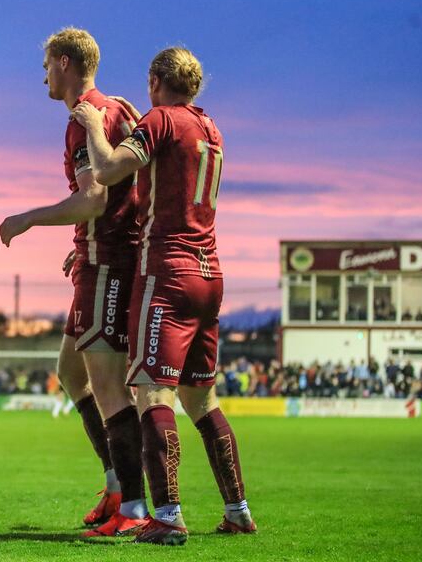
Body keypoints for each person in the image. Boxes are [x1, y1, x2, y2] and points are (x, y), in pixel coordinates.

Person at [71, 47, 257, 545]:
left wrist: (92, 123)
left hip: (168, 270)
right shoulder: (211, 128)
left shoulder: (161, 119)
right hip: (209, 271)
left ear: (155, 80)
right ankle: (237, 509)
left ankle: (168, 515)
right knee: (203, 399)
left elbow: (109, 171)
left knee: (154, 392)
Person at [0, 27, 146, 536]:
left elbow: (94, 199)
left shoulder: (89, 117)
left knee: (107, 384)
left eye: (46, 65)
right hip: (101, 254)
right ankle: (116, 482)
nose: (43, 75)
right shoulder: (119, 107)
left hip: (108, 263)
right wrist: (82, 239)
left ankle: (134, 506)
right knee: (71, 370)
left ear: (63, 63)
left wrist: (27, 218)